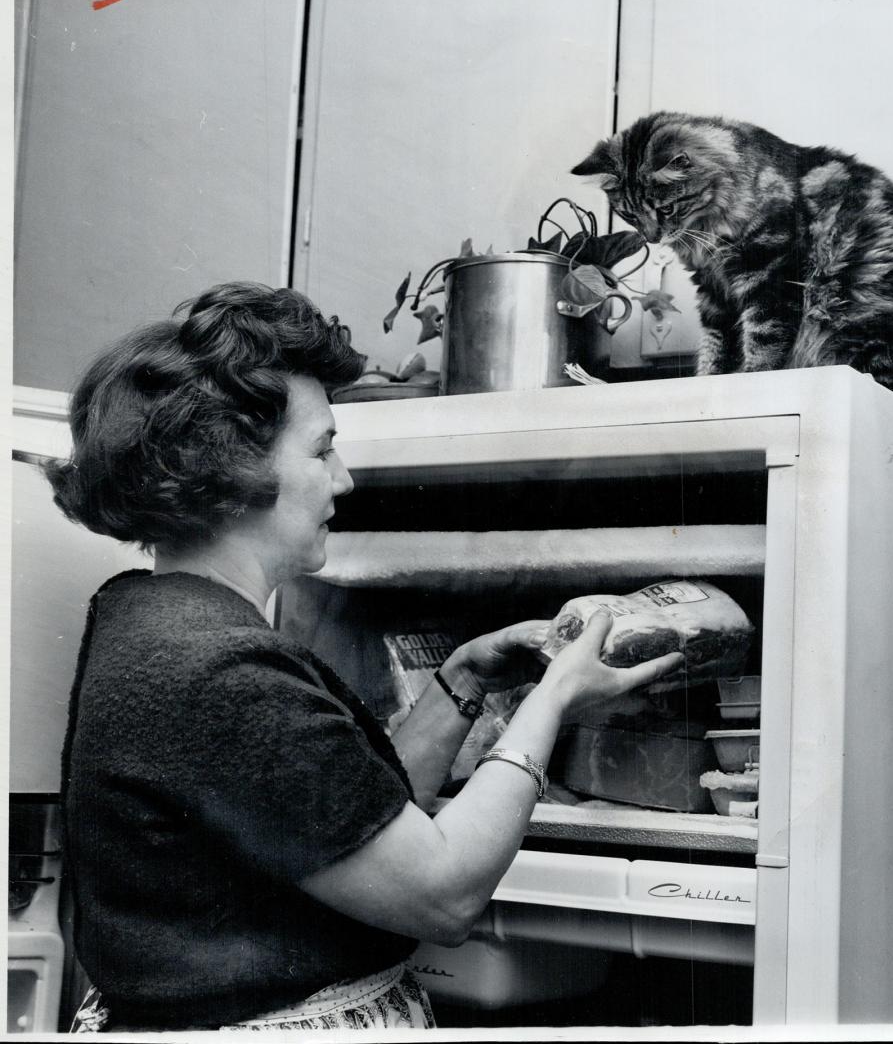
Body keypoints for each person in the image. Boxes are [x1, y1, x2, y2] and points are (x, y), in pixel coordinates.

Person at [47, 281, 682, 1032]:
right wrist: (552, 703)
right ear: (234, 472)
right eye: (322, 448)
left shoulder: (152, 616)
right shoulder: (219, 668)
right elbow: (443, 892)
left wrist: (462, 681)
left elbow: (351, 821)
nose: (344, 477)